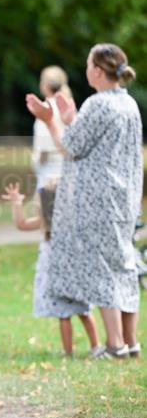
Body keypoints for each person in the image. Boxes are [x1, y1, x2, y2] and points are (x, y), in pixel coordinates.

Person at [26, 43, 142, 359]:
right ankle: (130, 343)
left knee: (103, 269)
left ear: (98, 70)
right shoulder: (128, 103)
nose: (85, 68)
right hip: (123, 197)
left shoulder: (99, 103)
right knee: (123, 265)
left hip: (98, 199)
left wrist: (50, 120)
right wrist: (71, 117)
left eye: (88, 63)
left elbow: (70, 147)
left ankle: (115, 345)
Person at [2, 180, 100, 356]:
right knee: (79, 313)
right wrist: (16, 204)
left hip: (70, 279)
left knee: (72, 314)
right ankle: (88, 348)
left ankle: (82, 349)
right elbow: (22, 224)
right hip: (66, 280)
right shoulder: (52, 223)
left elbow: (22, 224)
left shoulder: (73, 224)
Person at [31, 65, 74, 190]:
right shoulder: (69, 107)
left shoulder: (45, 110)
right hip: (68, 173)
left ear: (45, 85)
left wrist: (37, 165)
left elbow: (43, 148)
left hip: (49, 175)